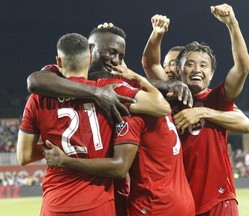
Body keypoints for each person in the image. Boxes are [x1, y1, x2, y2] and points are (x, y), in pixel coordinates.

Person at [17, 32, 171, 215]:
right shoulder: (110, 89)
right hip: (97, 202)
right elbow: (162, 107)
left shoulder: (38, 98)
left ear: (58, 62)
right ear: (90, 58)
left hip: (55, 203)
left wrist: (54, 148)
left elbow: (24, 156)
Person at [142, 4, 249, 215]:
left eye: (203, 65)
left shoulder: (217, 98)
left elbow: (243, 67)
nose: (197, 69)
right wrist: (157, 34)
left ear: (211, 74)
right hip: (180, 202)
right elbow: (150, 63)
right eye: (190, 64)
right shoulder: (169, 99)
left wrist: (232, 24)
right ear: (179, 70)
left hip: (218, 200)